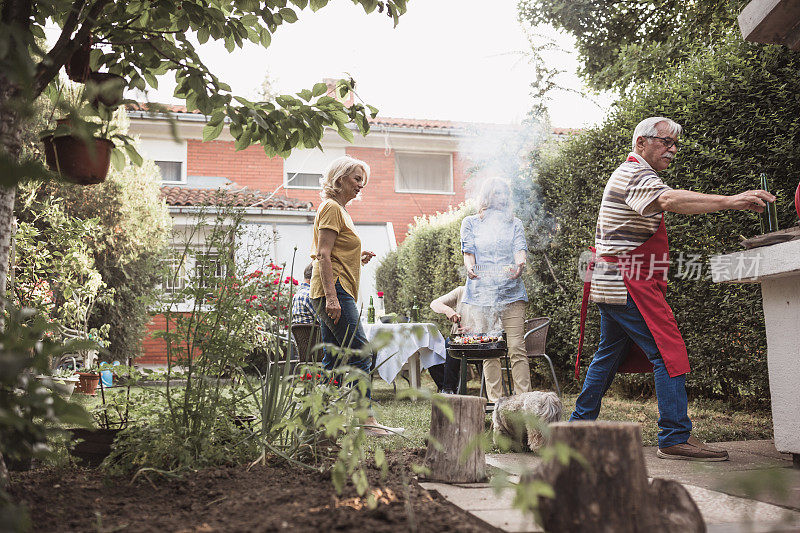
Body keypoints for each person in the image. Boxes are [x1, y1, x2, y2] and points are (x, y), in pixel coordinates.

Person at [572, 116, 775, 461]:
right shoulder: (635, 173)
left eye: (675, 144)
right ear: (640, 143)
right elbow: (669, 201)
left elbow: (669, 201)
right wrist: (732, 200)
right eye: (665, 142)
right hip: (628, 279)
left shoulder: (634, 173)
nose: (673, 149)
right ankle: (674, 436)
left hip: (610, 277)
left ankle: (578, 428)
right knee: (669, 352)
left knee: (608, 355)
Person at [309, 155, 395, 436]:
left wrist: (359, 255)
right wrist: (333, 298)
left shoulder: (340, 211)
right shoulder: (332, 208)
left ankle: (322, 419)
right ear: (340, 178)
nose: (361, 185)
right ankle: (366, 421)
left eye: (363, 181)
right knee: (361, 354)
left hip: (331, 289)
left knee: (332, 360)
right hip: (334, 290)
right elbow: (322, 254)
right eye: (357, 179)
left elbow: (335, 251)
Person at [460, 177, 531, 403]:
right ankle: (496, 403)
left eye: (504, 194)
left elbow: (520, 249)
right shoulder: (470, 222)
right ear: (487, 196)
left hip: (512, 294)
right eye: (497, 193)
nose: (502, 198)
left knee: (517, 349)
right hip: (482, 295)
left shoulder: (514, 223)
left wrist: (520, 264)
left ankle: (524, 403)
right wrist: (470, 268)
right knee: (489, 350)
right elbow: (468, 252)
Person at [428, 283, 471, 394]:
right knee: (430, 350)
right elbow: (434, 304)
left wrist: (473, 329)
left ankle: (448, 388)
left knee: (450, 343)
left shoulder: (489, 293)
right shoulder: (462, 291)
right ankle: (446, 386)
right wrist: (449, 311)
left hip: (478, 341)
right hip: (457, 339)